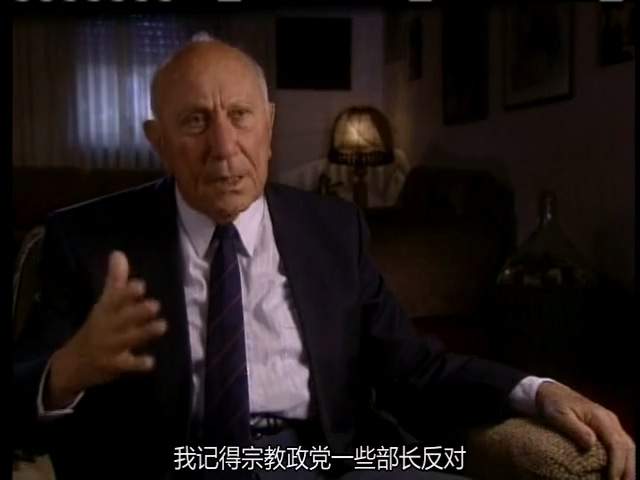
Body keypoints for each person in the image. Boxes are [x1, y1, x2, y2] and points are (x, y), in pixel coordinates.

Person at [13, 35, 634, 480]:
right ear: (158, 141)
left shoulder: (334, 230)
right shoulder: (86, 238)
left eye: (240, 116)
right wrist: (67, 371)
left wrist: (538, 390)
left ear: (269, 124)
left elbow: (414, 368)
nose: (224, 147)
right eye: (196, 122)